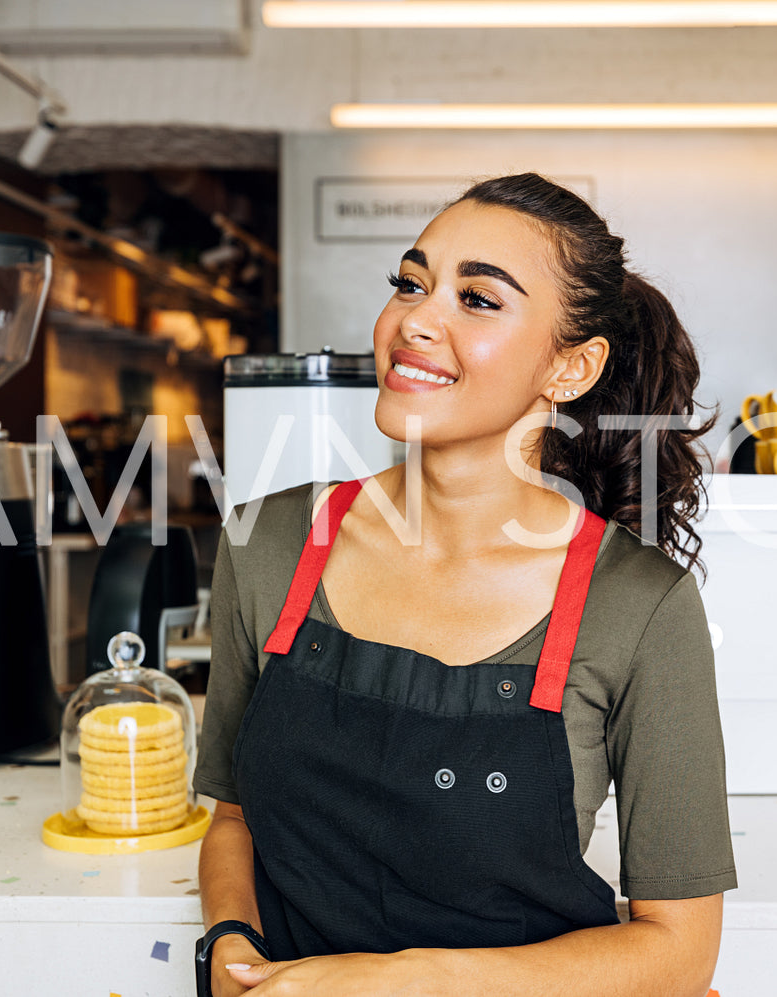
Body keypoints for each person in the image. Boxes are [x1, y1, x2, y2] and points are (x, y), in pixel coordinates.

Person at [193, 172, 735, 997]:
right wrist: (229, 944)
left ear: (571, 367)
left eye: (477, 299)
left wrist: (403, 982)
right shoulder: (266, 543)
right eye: (411, 283)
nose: (415, 318)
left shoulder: (636, 604)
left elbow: (678, 949)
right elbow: (233, 816)